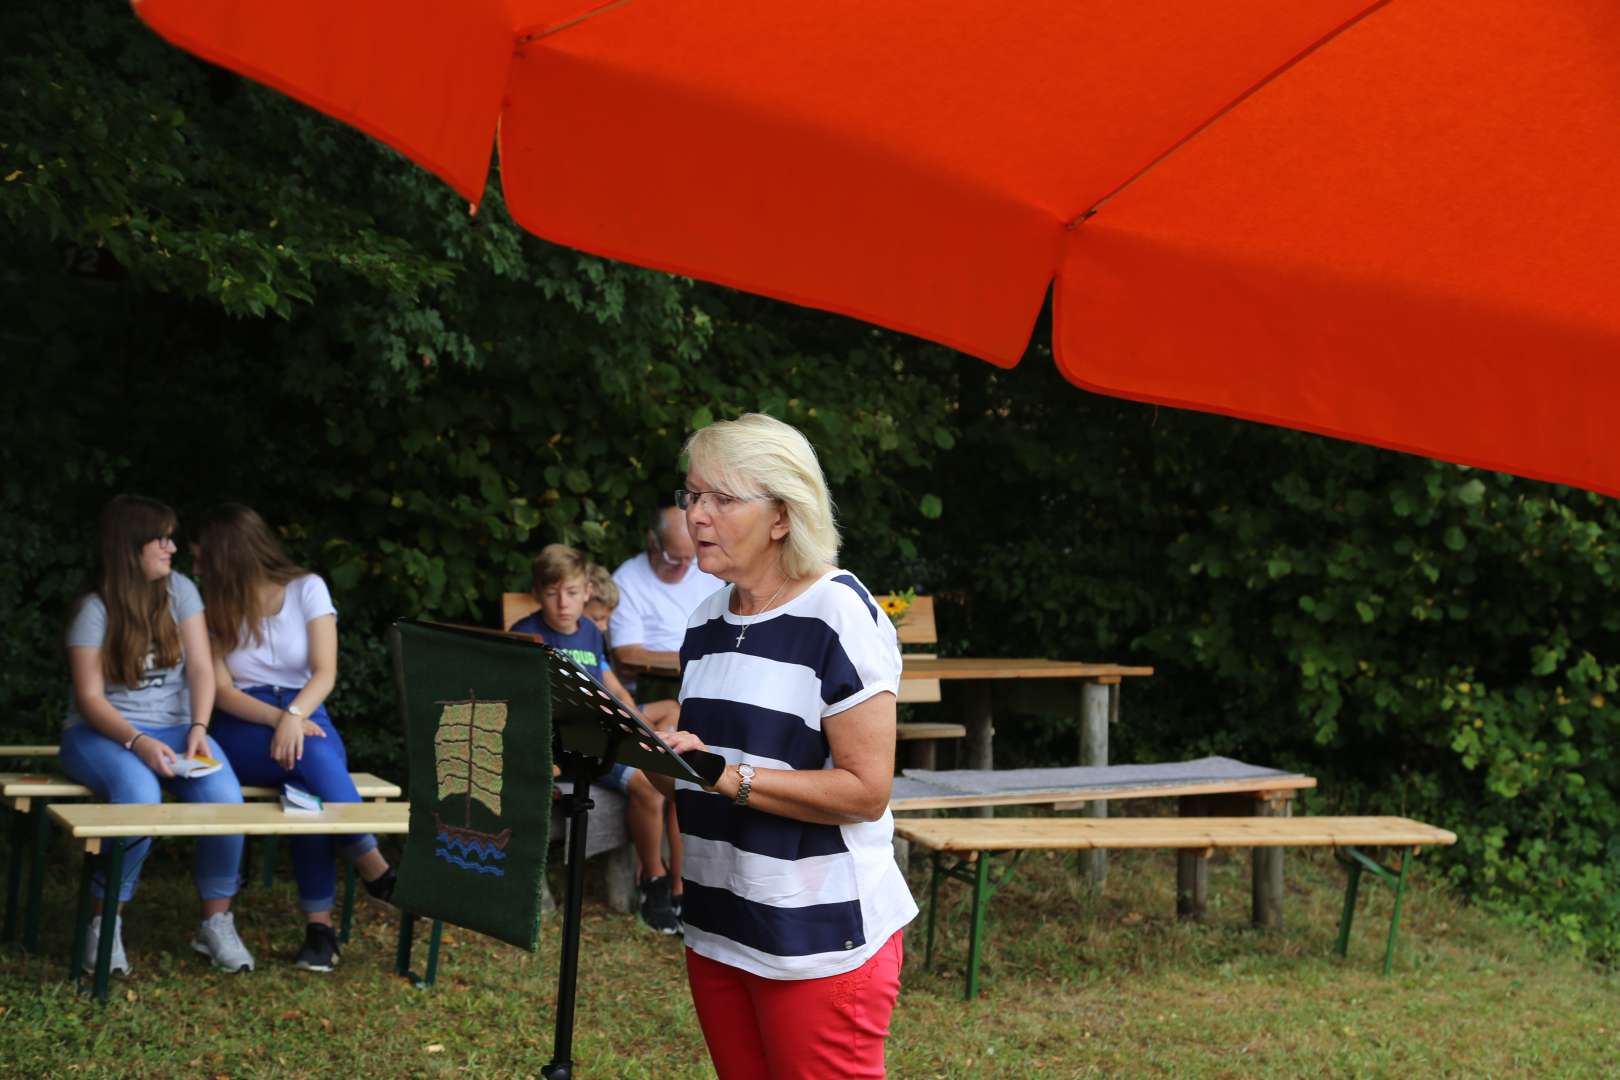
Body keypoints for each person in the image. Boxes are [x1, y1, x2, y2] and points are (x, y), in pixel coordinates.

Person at [654, 414, 916, 1079]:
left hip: (818, 940)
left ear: (781, 517)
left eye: (722, 498)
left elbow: (865, 790)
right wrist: (662, 759)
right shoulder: (705, 620)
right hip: (719, 927)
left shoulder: (840, 615)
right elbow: (702, 765)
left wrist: (730, 778)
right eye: (692, 495)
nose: (696, 517)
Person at [193, 503, 395, 973]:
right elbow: (221, 692)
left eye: (205, 557)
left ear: (230, 557)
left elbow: (325, 671)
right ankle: (371, 869)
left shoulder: (308, 589)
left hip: (307, 709)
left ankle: (321, 933)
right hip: (245, 721)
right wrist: (277, 718)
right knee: (311, 769)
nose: (197, 566)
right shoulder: (213, 609)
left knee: (307, 788)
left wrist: (295, 714)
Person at [61, 495, 254, 976]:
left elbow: (203, 671)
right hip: (103, 733)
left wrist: (199, 728)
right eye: (161, 539)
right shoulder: (94, 608)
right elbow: (89, 699)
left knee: (227, 801)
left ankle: (215, 924)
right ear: (131, 547)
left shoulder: (181, 590)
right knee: (139, 796)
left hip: (176, 729)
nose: (172, 548)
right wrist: (138, 742)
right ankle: (105, 925)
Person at [511, 544, 683, 935]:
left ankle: (674, 887)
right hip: (557, 750)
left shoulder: (589, 632)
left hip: (599, 741)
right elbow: (518, 704)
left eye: (571, 593)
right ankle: (653, 881)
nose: (562, 603)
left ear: (586, 591)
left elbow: (612, 689)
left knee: (667, 775)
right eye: (552, 593)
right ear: (538, 593)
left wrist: (635, 726)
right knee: (648, 784)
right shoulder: (527, 635)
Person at [608, 506, 722, 677]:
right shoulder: (626, 581)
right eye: (673, 559)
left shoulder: (708, 571)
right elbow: (627, 655)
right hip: (654, 681)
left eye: (690, 558)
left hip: (707, 676)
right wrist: (698, 660)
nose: (683, 567)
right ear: (652, 541)